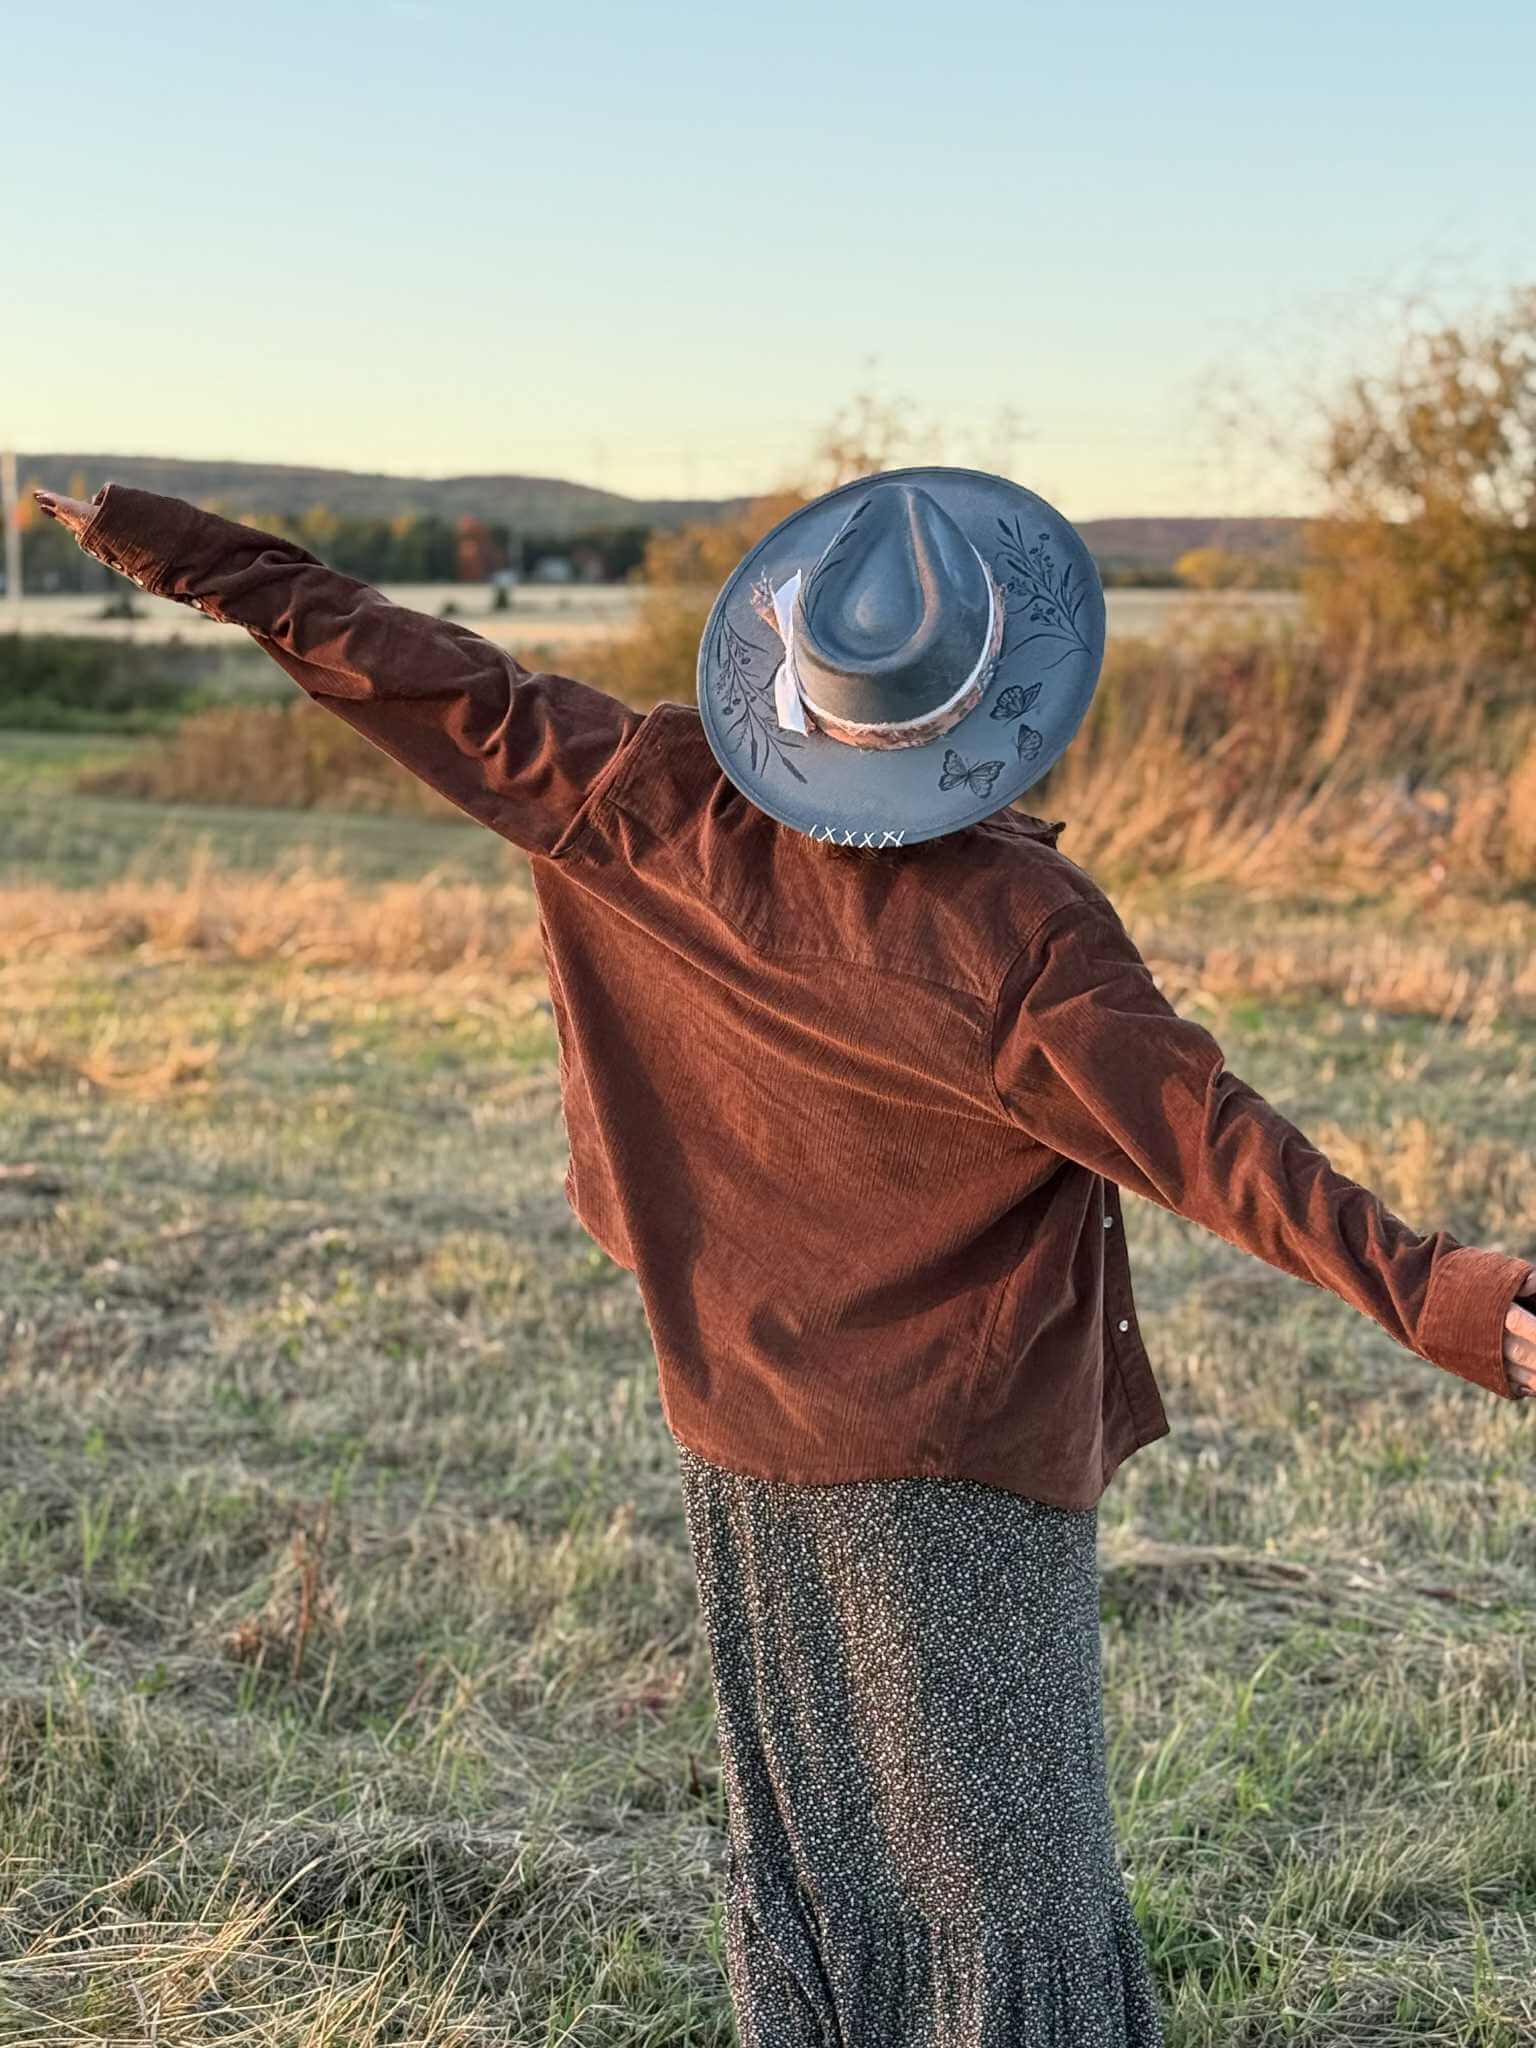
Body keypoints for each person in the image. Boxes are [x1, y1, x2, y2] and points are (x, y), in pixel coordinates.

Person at [37, 470, 1536, 2046]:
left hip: (742, 1430)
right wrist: (1445, 1298)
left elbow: (413, 668)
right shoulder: (1022, 931)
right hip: (951, 1467)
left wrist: (177, 548)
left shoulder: (648, 791)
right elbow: (1223, 1149)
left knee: (820, 1855)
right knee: (1003, 1898)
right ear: (1003, 699)